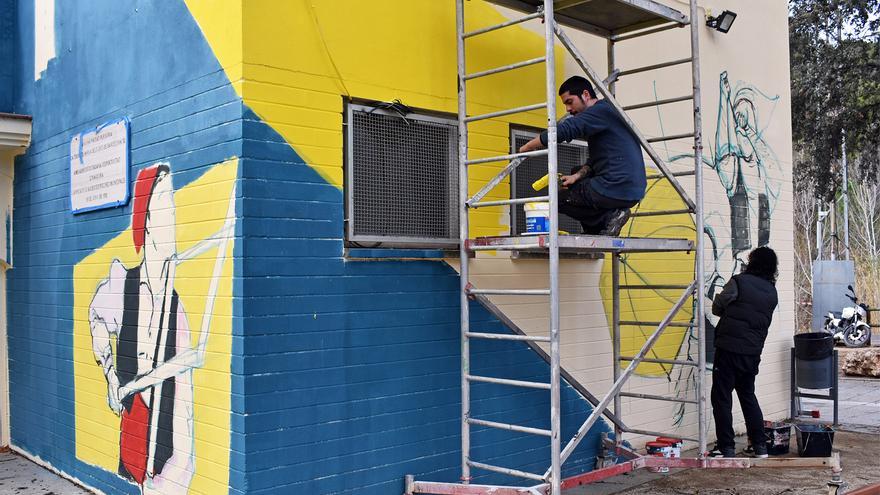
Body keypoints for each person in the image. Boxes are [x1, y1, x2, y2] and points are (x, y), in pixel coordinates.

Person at [89, 163, 195, 494]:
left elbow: (184, 405)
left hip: (168, 465)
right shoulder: (123, 286)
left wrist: (181, 468)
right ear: (145, 221)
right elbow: (96, 318)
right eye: (166, 205)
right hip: (136, 444)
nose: (174, 218)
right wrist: (110, 376)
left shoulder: (176, 308)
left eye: (174, 205)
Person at [518, 76, 646, 236]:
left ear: (586, 95)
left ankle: (608, 218)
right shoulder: (606, 115)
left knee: (558, 199)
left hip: (616, 186)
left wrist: (526, 148)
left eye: (570, 102)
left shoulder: (599, 111)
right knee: (576, 173)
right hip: (630, 189)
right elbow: (594, 162)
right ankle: (602, 226)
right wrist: (576, 176)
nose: (568, 110)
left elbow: (564, 130)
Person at [708, 246, 779, 458]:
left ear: (752, 262)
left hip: (729, 349)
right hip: (752, 352)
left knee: (721, 397)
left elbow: (717, 307)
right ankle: (760, 446)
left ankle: (726, 447)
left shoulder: (739, 282)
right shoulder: (771, 292)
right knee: (747, 395)